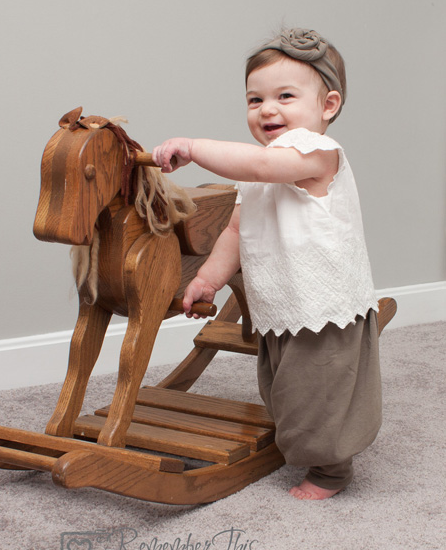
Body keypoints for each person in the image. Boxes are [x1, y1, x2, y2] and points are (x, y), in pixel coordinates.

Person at [152, 28, 381, 500]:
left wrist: (193, 147)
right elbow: (236, 232)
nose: (266, 109)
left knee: (320, 391)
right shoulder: (259, 173)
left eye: (285, 96)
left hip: (323, 305)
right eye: (254, 99)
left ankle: (331, 469)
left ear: (328, 106)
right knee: (284, 389)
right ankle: (300, 438)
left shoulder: (318, 154)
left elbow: (258, 166)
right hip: (280, 303)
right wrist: (209, 280)